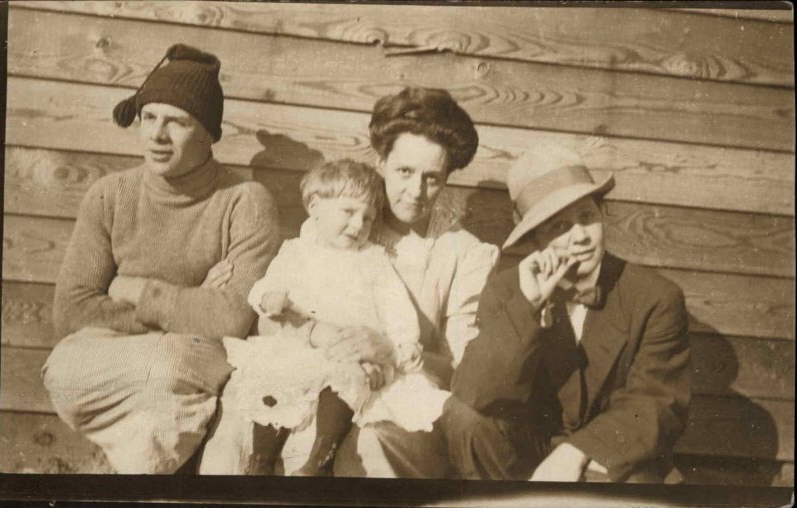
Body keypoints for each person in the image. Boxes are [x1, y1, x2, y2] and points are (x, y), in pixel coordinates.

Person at [40, 44, 281, 474]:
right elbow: (72, 312)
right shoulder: (109, 195)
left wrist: (132, 291)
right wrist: (189, 303)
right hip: (112, 355)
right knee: (63, 370)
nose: (157, 135)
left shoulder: (244, 201)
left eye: (177, 122)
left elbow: (232, 319)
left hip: (188, 358)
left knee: (168, 369)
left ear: (209, 133)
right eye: (148, 117)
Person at [278, 87, 500, 478]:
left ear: (448, 179)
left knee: (365, 451)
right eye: (404, 172)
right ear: (380, 162)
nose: (415, 192)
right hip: (314, 379)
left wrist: (391, 352)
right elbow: (274, 318)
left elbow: (463, 368)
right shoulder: (341, 221)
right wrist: (320, 334)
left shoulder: (464, 255)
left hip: (403, 406)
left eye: (432, 178)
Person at [442, 143, 691, 483]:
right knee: (464, 418)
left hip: (608, 454)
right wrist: (526, 308)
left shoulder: (655, 297)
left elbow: (654, 404)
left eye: (587, 217)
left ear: (601, 215)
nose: (581, 237)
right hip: (526, 454)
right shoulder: (507, 289)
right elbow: (473, 392)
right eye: (559, 227)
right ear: (535, 241)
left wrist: (577, 453)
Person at [199, 159, 450, 476]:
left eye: (368, 218)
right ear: (315, 206)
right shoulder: (295, 251)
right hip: (299, 346)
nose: (358, 225)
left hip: (348, 352)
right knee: (274, 377)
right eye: (349, 212)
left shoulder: (373, 259)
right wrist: (270, 298)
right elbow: (265, 286)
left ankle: (321, 457)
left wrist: (403, 343)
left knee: (347, 382)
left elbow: (395, 305)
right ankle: (261, 459)